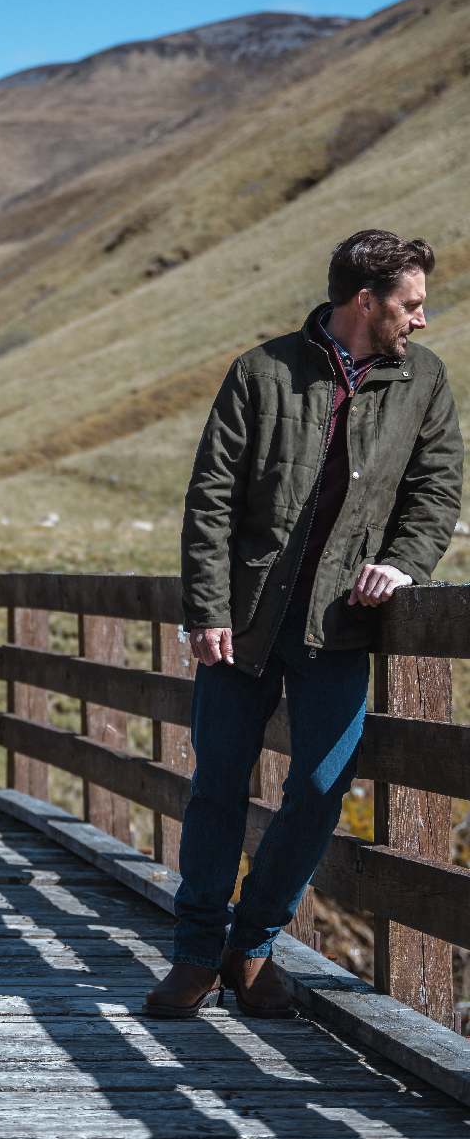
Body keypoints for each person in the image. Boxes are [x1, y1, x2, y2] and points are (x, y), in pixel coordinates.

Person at [144, 229, 464, 1020]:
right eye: (411, 305)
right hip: (244, 624)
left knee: (320, 787)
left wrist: (404, 563)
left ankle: (250, 947)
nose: (421, 320)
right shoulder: (262, 373)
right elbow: (211, 498)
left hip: (340, 628)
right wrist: (207, 608)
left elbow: (436, 491)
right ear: (367, 301)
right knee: (218, 784)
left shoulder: (423, 381)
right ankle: (194, 957)